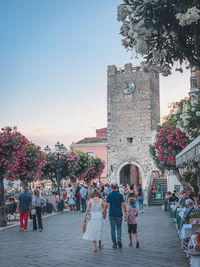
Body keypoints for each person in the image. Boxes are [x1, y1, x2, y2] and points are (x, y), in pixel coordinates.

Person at [104, 184, 127, 249]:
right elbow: (124, 205)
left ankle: (114, 244)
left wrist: (104, 213)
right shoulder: (120, 195)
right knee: (119, 227)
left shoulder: (109, 195)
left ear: (111, 188)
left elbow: (106, 205)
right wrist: (126, 214)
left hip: (112, 214)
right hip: (119, 213)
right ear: (117, 188)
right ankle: (119, 239)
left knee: (112, 229)